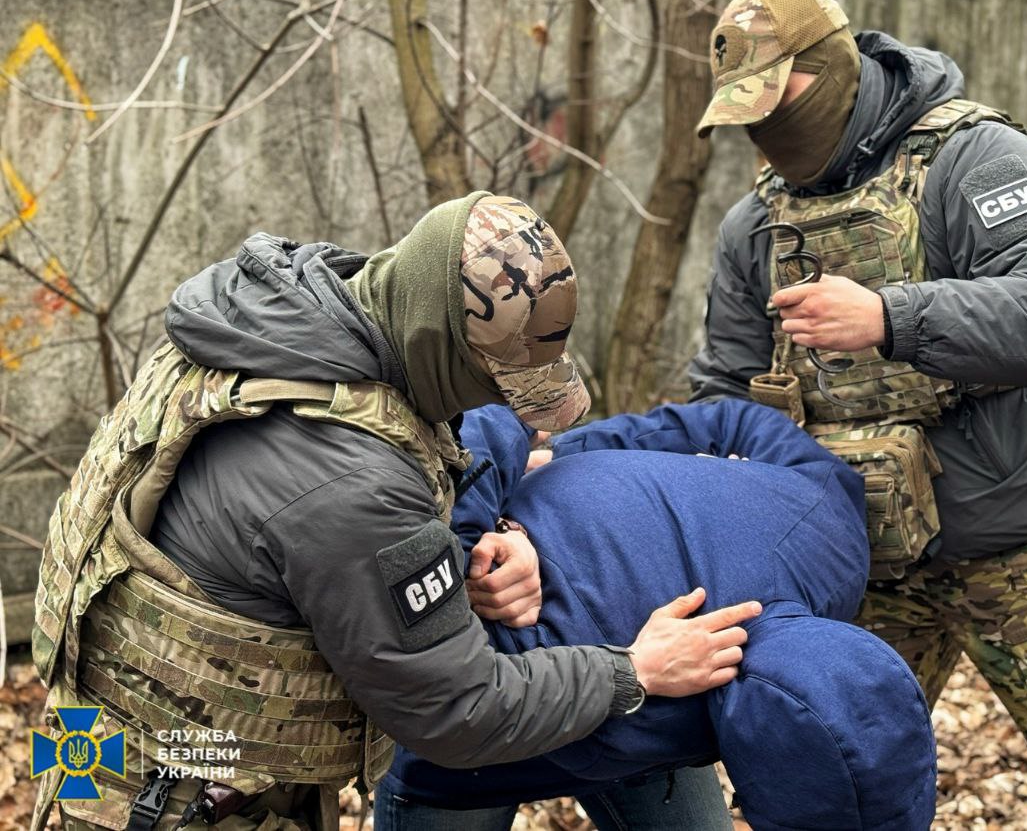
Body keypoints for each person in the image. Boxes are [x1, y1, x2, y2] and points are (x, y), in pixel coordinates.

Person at [29, 193, 757, 830]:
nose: (498, 405)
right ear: (439, 340)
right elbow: (458, 708)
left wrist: (484, 537)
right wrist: (635, 669)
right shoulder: (349, 483)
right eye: (493, 383)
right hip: (178, 788)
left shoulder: (284, 316)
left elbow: (335, 524)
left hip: (89, 731)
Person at [688, 0, 1027, 828]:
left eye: (780, 107)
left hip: (1023, 552)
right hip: (860, 561)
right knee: (825, 802)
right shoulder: (756, 225)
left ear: (834, 69)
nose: (771, 140)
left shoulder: (975, 160)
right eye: (750, 119)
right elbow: (722, 387)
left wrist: (890, 317)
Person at [380, 400, 937, 831]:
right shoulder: (617, 724)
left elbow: (736, 421)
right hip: (473, 744)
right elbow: (454, 696)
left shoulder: (832, 539)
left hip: (608, 698)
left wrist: (559, 464)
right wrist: (484, 541)